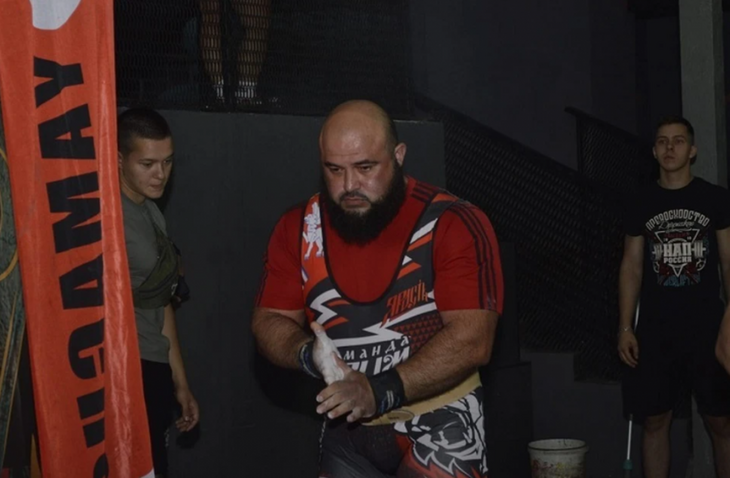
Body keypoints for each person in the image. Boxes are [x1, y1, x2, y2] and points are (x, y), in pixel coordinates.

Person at [252, 100, 503, 477]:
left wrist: (380, 390)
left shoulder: (452, 223)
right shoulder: (300, 228)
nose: (349, 186)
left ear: (398, 156)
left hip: (440, 422)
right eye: (334, 170)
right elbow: (269, 320)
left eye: (365, 168)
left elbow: (474, 339)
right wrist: (307, 354)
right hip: (348, 430)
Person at [618, 116, 730, 478]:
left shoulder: (714, 198)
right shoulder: (640, 200)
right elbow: (631, 266)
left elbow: (728, 261)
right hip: (655, 328)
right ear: (654, 151)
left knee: (721, 421)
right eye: (662, 141)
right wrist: (625, 327)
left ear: (692, 150)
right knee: (655, 420)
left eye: (678, 141)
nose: (670, 148)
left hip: (707, 325)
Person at [118, 108, 200, 478]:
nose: (161, 174)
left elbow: (161, 302)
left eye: (167, 162)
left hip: (153, 367)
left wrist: (180, 383)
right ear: (119, 160)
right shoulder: (108, 217)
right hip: (124, 371)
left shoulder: (151, 212)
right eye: (148, 164)